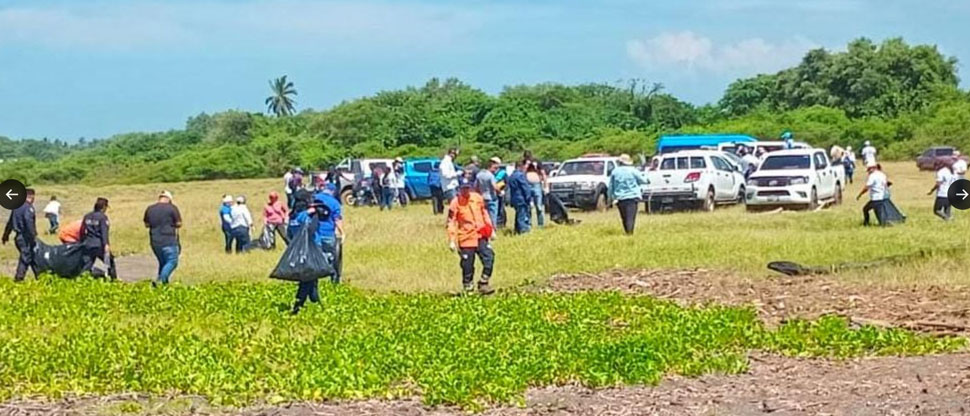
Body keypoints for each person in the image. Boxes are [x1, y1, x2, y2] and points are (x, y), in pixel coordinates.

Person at [290, 184, 345, 314]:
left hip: (300, 251)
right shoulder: (306, 216)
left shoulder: (292, 217)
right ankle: (299, 307)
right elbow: (312, 227)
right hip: (312, 249)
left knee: (310, 280)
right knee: (308, 280)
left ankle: (314, 304)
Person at [447, 181, 495, 294]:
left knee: (489, 257)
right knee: (467, 264)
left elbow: (484, 214)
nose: (466, 191)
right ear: (459, 189)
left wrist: (491, 230)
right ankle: (468, 286)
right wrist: (452, 240)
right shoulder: (455, 203)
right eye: (463, 189)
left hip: (480, 235)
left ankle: (484, 282)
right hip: (466, 238)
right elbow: (451, 222)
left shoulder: (477, 198)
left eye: (467, 188)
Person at [143, 191, 182, 286]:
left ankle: (164, 285)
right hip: (168, 239)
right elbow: (179, 223)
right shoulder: (172, 208)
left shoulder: (150, 209)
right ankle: (160, 281)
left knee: (163, 262)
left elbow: (146, 224)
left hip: (155, 240)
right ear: (169, 199)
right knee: (172, 261)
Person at [2, 188, 38, 281]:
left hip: (18, 237)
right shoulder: (28, 208)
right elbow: (28, 222)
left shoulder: (16, 207)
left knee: (30, 256)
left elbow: (9, 223)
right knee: (25, 256)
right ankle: (19, 278)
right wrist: (33, 237)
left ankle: (37, 275)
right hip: (25, 237)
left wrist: (5, 236)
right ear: (31, 196)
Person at [610, 154, 649, 235]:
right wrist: (647, 179)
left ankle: (627, 232)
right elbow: (643, 180)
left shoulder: (615, 171)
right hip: (632, 197)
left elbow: (611, 186)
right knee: (630, 217)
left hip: (620, 197)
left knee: (624, 217)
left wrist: (611, 197)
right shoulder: (633, 170)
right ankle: (630, 233)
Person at [80, 197, 117, 279]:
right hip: (99, 244)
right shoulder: (103, 217)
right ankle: (113, 280)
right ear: (104, 207)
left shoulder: (87, 216)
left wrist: (82, 242)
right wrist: (106, 244)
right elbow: (104, 232)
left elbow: (82, 230)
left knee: (87, 264)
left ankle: (82, 279)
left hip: (88, 243)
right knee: (110, 263)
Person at [507, 161, 533, 234]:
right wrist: (529, 198)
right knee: (522, 215)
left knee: (518, 214)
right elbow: (525, 188)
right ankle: (523, 230)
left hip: (514, 198)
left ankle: (517, 229)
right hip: (521, 198)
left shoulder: (512, 175)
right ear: (520, 167)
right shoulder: (520, 175)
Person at [477, 158, 501, 226]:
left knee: (484, 215)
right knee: (492, 215)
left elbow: (476, 187)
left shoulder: (479, 175)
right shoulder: (491, 176)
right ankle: (493, 229)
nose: (495, 170)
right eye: (495, 168)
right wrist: (500, 192)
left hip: (482, 197)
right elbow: (494, 186)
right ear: (490, 167)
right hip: (491, 198)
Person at [524, 155, 546, 228]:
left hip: (536, 185)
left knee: (539, 206)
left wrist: (545, 186)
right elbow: (522, 172)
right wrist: (527, 164)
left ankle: (541, 224)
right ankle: (528, 224)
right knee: (529, 206)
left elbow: (543, 174)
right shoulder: (525, 164)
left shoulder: (537, 162)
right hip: (528, 185)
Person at [492, 158, 508, 228]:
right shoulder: (490, 172)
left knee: (501, 208)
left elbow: (507, 182)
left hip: (501, 192)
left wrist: (504, 190)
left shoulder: (503, 173)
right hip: (493, 193)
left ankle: (501, 223)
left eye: (495, 163)